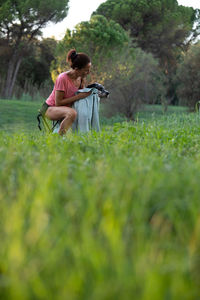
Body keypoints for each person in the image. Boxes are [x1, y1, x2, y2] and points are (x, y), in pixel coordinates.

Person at [41, 49, 92, 135]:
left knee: (81, 112)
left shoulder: (81, 78)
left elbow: (81, 96)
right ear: (77, 69)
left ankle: (79, 136)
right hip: (50, 108)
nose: (88, 72)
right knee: (72, 113)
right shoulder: (62, 78)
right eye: (86, 70)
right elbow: (58, 102)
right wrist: (79, 96)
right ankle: (59, 139)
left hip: (65, 108)